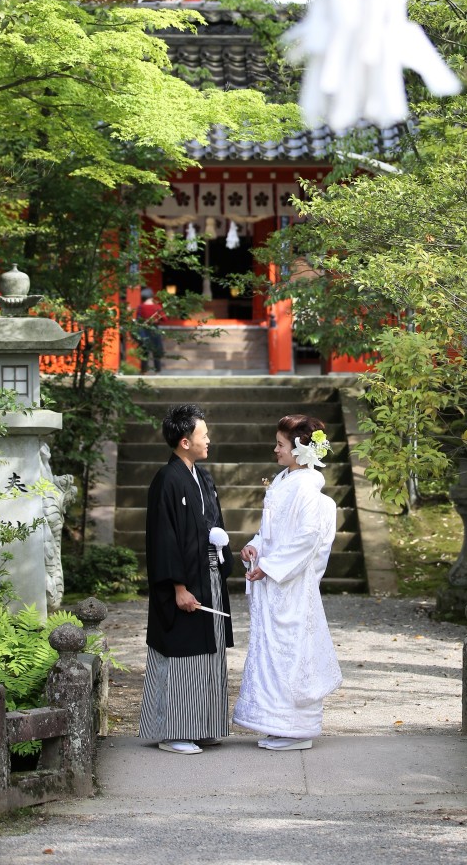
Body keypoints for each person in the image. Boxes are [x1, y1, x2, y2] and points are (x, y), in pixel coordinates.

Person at [233, 413, 342, 750]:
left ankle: (297, 728)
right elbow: (272, 531)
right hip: (276, 581)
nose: (275, 449)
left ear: (299, 449)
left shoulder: (307, 486)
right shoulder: (284, 479)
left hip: (291, 584)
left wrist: (272, 566)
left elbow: (308, 538)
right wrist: (255, 546)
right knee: (273, 652)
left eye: (280, 444)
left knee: (292, 653)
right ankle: (278, 723)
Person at [138, 402, 234, 755]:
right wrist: (177, 587)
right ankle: (173, 731)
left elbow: (213, 524)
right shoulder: (167, 480)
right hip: (183, 581)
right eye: (203, 435)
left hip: (207, 574)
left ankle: (203, 725)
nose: (208, 440)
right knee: (181, 655)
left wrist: (221, 546)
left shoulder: (203, 477)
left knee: (208, 653)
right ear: (184, 441)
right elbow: (163, 537)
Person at [135, 286, 166, 373]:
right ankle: (157, 371)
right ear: (151, 296)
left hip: (144, 331)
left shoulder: (141, 307)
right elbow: (164, 319)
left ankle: (143, 371)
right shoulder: (157, 307)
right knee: (156, 351)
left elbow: (138, 320)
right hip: (154, 330)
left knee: (144, 351)